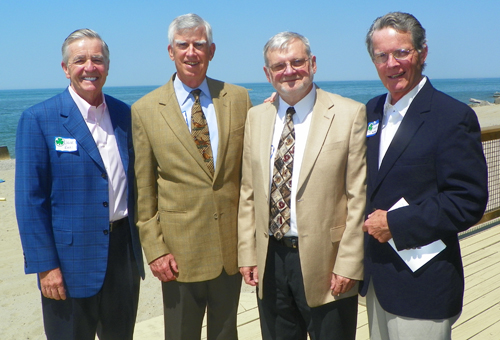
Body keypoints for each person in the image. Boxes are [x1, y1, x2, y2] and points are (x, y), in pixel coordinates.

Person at [360, 12, 488, 339]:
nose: (392, 64)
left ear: (423, 52)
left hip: (423, 283)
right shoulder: (371, 111)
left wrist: (396, 224)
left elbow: (467, 201)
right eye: (382, 56)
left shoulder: (452, 116)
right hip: (378, 280)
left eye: (402, 52)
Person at [15, 29, 144, 340]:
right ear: (65, 68)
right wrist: (45, 267)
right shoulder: (39, 119)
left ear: (108, 66)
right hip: (68, 263)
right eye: (80, 60)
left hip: (123, 257)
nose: (90, 67)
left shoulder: (123, 114)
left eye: (97, 59)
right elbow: (29, 200)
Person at [238, 31, 367, 340]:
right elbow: (248, 194)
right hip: (271, 261)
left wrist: (349, 263)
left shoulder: (349, 114)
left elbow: (358, 197)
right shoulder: (256, 117)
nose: (290, 71)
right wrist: (247, 254)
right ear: (268, 74)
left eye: (297, 62)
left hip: (327, 264)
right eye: (279, 66)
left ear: (313, 64)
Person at [131, 13, 252, 340]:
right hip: (178, 254)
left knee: (227, 333)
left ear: (211, 51)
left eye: (199, 44)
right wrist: (155, 250)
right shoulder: (145, 109)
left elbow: (248, 175)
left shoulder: (239, 99)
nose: (191, 52)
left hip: (231, 250)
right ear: (171, 51)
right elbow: (144, 190)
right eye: (182, 45)